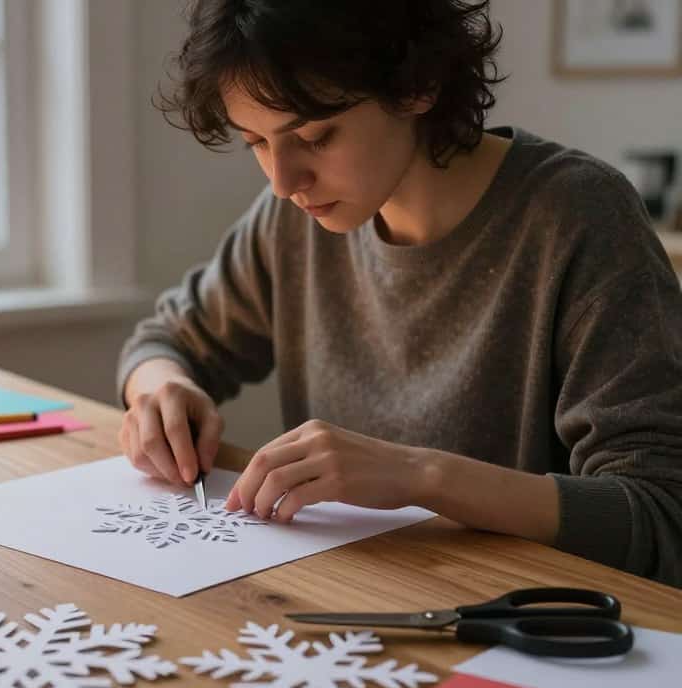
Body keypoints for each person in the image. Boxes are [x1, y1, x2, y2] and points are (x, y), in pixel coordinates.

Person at [116, 0, 682, 588]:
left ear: (417, 86)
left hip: (529, 614)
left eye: (314, 136)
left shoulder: (580, 216)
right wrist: (162, 390)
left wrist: (419, 475)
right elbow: (165, 341)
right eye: (256, 141)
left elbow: (660, 514)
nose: (283, 182)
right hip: (348, 597)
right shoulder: (293, 221)